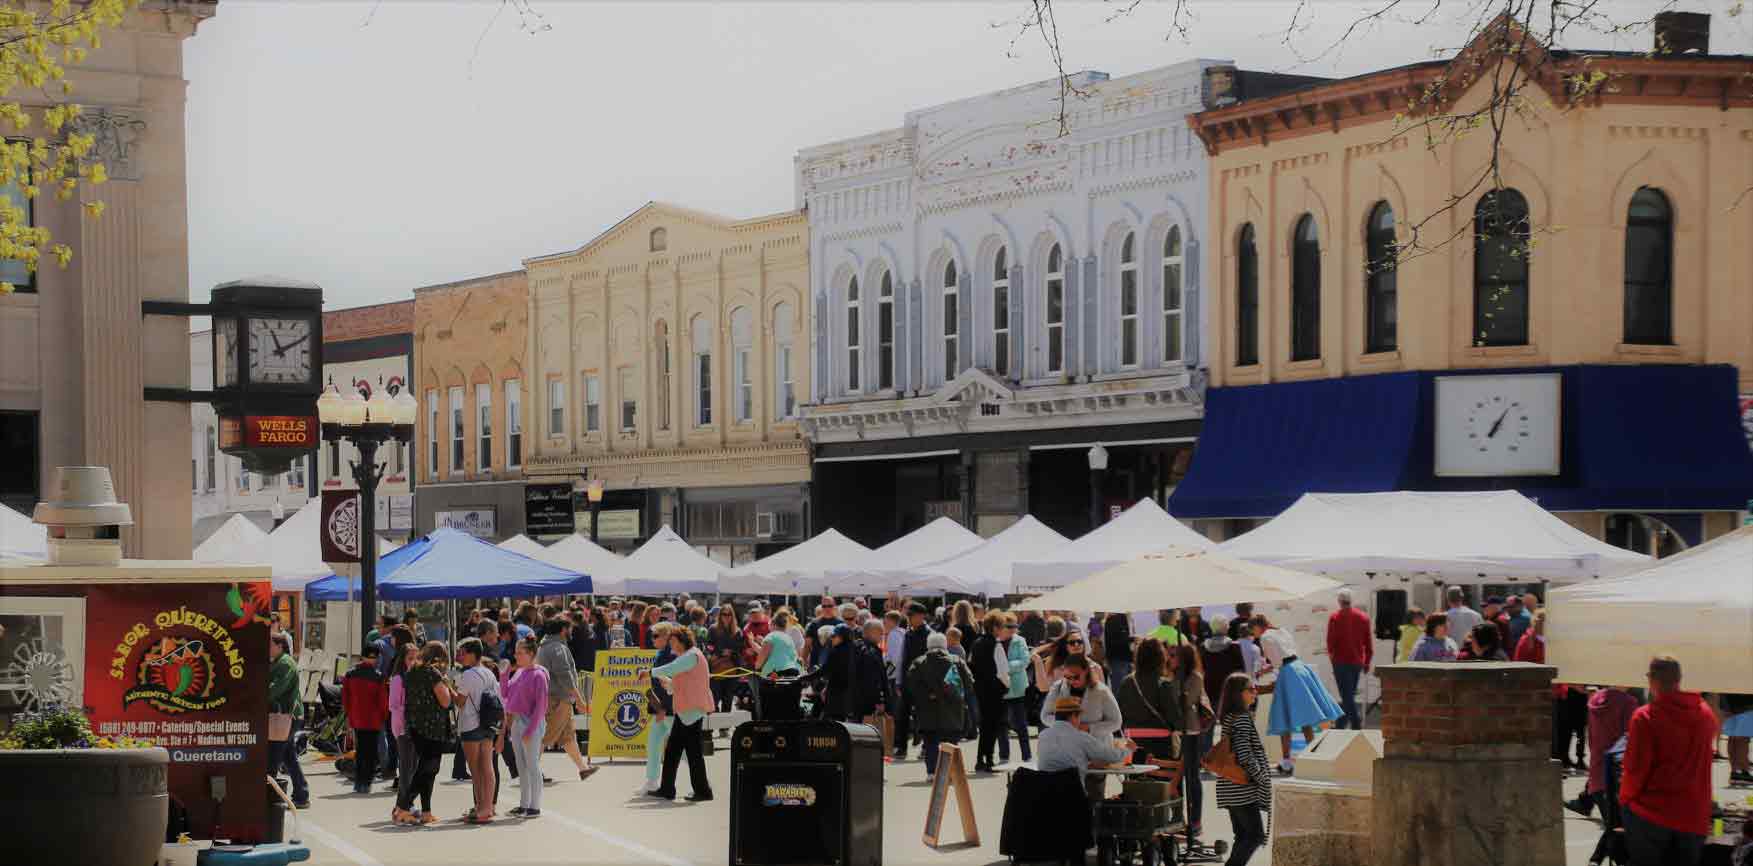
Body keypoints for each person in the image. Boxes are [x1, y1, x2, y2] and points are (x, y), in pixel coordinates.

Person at [1620, 656, 1718, 866]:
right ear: (1679, 679)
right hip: (1693, 813)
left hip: (1651, 814)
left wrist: (1625, 800)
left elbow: (1634, 770)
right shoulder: (1705, 715)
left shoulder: (1645, 717)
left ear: (1651, 680)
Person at [1250, 614, 1340, 774]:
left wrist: (1268, 676)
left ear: (1257, 627)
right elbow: (1287, 655)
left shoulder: (1265, 637)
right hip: (1300, 667)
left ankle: (1286, 761)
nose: (1253, 634)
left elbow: (1278, 662)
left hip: (1288, 672)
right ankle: (1313, 756)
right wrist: (1269, 669)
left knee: (1283, 717)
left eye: (1253, 630)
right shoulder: (1281, 631)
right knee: (1305, 718)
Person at [650, 627, 715, 802]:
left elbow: (672, 668)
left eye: (673, 642)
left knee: (691, 753)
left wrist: (651, 672)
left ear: (682, 641)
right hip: (686, 711)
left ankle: (702, 791)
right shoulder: (687, 657)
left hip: (691, 711)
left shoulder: (691, 656)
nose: (671, 646)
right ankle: (668, 789)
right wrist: (669, 684)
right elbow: (682, 683)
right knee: (673, 751)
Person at [396, 641, 457, 826]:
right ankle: (403, 807)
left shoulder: (412, 672)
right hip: (433, 728)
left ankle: (426, 811)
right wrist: (447, 684)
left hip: (416, 726)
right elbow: (445, 701)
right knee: (427, 770)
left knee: (426, 770)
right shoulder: (433, 673)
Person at [1215, 672, 1272, 866]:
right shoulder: (1241, 718)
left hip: (1230, 787)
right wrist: (1261, 776)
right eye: (1251, 689)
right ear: (1238, 694)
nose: (1255, 693)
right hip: (1242, 789)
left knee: (1242, 835)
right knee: (1255, 836)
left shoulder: (1230, 717)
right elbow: (1244, 754)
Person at [1115, 638, 1183, 790]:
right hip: (1161, 748)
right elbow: (1176, 720)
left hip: (1134, 746)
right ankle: (1177, 813)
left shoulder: (1127, 683)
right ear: (1160, 657)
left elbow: (1119, 716)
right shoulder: (1163, 684)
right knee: (1167, 789)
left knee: (1136, 789)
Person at [1038, 695, 1135, 801]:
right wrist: (1128, 749)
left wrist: (1085, 763)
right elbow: (1111, 757)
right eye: (1079, 717)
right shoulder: (1081, 737)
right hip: (1072, 796)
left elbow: (1059, 759)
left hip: (1045, 796)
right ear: (1073, 716)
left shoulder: (1043, 736)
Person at [536, 618, 597, 780]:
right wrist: (579, 700)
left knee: (568, 737)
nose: (571, 632)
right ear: (563, 629)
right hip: (557, 699)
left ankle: (583, 768)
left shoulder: (547, 646)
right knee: (545, 736)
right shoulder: (557, 647)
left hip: (557, 698)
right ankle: (530, 771)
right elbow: (565, 676)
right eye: (570, 628)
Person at [906, 631, 975, 777]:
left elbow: (911, 686)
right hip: (953, 710)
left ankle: (932, 773)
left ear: (928, 645)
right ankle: (950, 773)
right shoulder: (956, 660)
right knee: (951, 742)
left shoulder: (919, 662)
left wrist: (928, 695)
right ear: (945, 645)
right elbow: (969, 684)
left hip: (927, 711)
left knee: (931, 742)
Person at [499, 637, 549, 818]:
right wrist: (504, 674)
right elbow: (505, 693)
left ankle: (534, 805)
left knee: (532, 765)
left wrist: (530, 730)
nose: (516, 655)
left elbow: (541, 706)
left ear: (531, 654)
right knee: (521, 765)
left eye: (520, 652)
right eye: (516, 652)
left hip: (531, 723)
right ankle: (524, 804)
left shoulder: (539, 675)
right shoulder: (519, 672)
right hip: (518, 722)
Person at [453, 638, 500, 824]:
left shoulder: (468, 675)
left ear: (472, 653)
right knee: (487, 767)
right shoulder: (488, 673)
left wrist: (450, 687)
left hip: (471, 725)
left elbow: (460, 701)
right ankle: (487, 807)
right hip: (488, 724)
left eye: (463, 652)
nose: (460, 656)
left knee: (476, 770)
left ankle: (482, 808)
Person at [1171, 643, 1210, 839]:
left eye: (1174, 655)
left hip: (1191, 732)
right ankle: (1178, 818)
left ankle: (1196, 821)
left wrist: (1175, 688)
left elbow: (1186, 703)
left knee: (1192, 777)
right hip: (1177, 731)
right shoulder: (1173, 675)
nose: (1171, 658)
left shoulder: (1195, 677)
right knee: (1177, 777)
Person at [266, 633, 310, 808]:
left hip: (285, 717)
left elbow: (274, 690)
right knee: (288, 756)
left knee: (274, 757)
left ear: (279, 645)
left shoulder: (285, 663)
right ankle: (301, 795)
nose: (267, 648)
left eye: (270, 644)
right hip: (286, 717)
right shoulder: (279, 662)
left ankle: (271, 797)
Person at [341, 645, 389, 794]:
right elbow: (383, 701)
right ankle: (366, 782)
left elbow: (345, 698)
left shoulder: (349, 675)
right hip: (374, 719)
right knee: (371, 751)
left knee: (360, 750)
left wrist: (349, 715)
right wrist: (384, 716)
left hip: (357, 718)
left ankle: (359, 781)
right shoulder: (379, 676)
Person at [1325, 589, 1373, 730]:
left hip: (1340, 661)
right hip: (1357, 662)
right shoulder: (1363, 617)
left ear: (1339, 601)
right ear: (1351, 601)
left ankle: (1356, 724)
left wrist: (1332, 657)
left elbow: (1330, 642)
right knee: (1349, 695)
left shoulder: (1335, 617)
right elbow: (1368, 643)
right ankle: (1340, 725)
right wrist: (1367, 662)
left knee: (1346, 696)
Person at [894, 602, 932, 759]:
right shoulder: (908, 633)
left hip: (922, 681)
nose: (909, 619)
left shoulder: (929, 634)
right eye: (908, 616)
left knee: (925, 715)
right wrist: (899, 680)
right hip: (907, 680)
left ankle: (926, 746)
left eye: (911, 616)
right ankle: (901, 747)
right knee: (902, 714)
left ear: (921, 616)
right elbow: (902, 658)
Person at [971, 611, 1006, 772]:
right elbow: (1003, 671)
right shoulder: (996, 645)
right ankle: (989, 759)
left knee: (984, 725)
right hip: (994, 689)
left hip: (980, 688)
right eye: (1001, 626)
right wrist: (1007, 686)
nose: (1003, 629)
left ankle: (980, 759)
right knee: (992, 726)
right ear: (994, 627)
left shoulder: (976, 643)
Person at [1200, 616, 1247, 710]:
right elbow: (1242, 671)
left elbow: (1202, 669)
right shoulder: (1234, 646)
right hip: (1231, 689)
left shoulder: (1203, 647)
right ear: (1225, 627)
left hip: (1210, 689)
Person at [706, 604, 746, 713]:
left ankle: (725, 727)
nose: (726, 617)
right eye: (724, 614)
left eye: (729, 614)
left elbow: (741, 648)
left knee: (728, 699)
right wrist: (718, 652)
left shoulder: (738, 631)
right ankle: (714, 724)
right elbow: (708, 646)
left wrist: (731, 652)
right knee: (714, 698)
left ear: (732, 616)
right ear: (720, 615)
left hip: (732, 669)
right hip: (716, 669)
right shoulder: (713, 629)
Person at [1723, 693, 1753, 786]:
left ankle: (1735, 772)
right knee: (1743, 737)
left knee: (1733, 736)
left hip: (1730, 696)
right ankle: (1743, 772)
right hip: (1745, 698)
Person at [1102, 611, 1134, 685]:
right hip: (1119, 660)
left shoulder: (1121, 618)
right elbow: (1115, 641)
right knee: (1120, 688)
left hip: (1124, 660)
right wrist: (1132, 639)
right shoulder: (1115, 619)